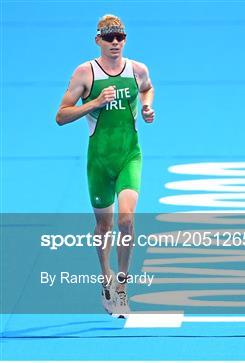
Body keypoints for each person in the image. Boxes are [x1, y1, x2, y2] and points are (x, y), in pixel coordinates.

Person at [55, 14, 154, 318]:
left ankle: (122, 287)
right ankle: (106, 277)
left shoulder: (137, 69)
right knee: (104, 226)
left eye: (120, 37)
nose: (115, 42)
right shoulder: (86, 74)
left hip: (129, 156)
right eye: (109, 37)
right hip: (98, 162)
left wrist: (148, 106)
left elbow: (147, 88)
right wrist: (94, 104)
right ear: (97, 39)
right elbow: (61, 115)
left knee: (126, 220)